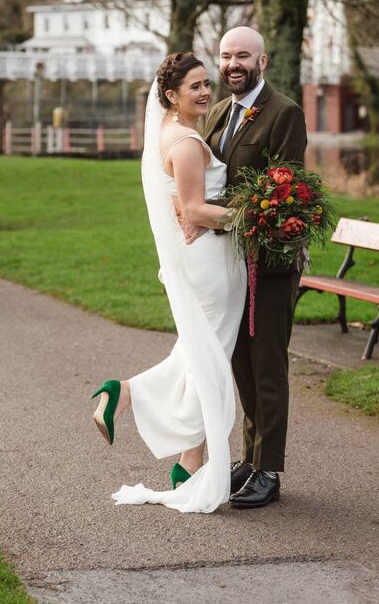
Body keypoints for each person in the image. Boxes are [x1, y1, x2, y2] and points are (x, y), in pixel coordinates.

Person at [91, 52, 246, 513]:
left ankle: (188, 459)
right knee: (210, 362)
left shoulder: (172, 133)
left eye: (205, 84)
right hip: (211, 263)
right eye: (194, 86)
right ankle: (128, 392)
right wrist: (257, 215)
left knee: (198, 354)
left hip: (201, 259)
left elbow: (187, 205)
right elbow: (196, 210)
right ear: (171, 95)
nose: (204, 92)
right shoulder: (184, 143)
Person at [204, 26, 307, 509]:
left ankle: (270, 470)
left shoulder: (284, 113)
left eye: (242, 56)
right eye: (226, 56)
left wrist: (210, 213)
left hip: (269, 262)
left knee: (266, 364)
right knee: (239, 361)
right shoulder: (220, 111)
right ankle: (251, 455)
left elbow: (280, 191)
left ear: (262, 61)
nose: (232, 65)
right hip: (227, 261)